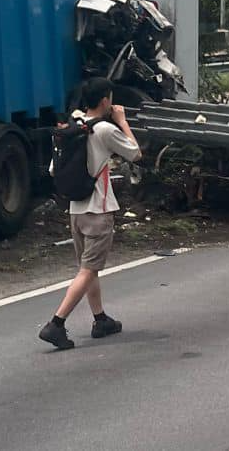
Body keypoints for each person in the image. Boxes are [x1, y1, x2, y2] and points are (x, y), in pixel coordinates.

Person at [38, 77, 141, 351]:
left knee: (87, 269)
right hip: (98, 210)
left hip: (76, 209)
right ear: (106, 101)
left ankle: (100, 319)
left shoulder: (74, 127)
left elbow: (53, 169)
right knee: (89, 270)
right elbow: (135, 153)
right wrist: (123, 121)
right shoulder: (105, 129)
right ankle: (56, 324)